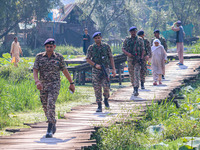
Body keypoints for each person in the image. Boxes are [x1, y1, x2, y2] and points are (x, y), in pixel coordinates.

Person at [33, 38, 75, 138]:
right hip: (43, 85)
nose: (49, 48)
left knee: (51, 103)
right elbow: (35, 70)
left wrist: (71, 83)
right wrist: (37, 81)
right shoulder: (39, 57)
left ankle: (50, 127)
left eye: (51, 47)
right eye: (47, 47)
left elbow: (64, 70)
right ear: (45, 47)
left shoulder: (59, 57)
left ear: (54, 47)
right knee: (45, 106)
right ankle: (53, 121)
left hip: (54, 85)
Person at [86, 32, 116, 112]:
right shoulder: (91, 48)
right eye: (96, 38)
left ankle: (106, 99)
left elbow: (111, 57)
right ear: (94, 39)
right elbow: (88, 59)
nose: (97, 39)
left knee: (106, 86)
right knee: (97, 88)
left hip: (105, 69)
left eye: (99, 38)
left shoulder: (106, 46)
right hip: (96, 70)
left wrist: (113, 69)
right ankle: (99, 105)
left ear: (101, 38)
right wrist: (95, 65)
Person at [122, 26, 144, 96]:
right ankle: (133, 86)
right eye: (132, 32)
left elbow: (143, 49)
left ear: (136, 32)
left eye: (134, 31)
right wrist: (128, 54)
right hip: (130, 59)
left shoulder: (140, 40)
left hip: (137, 59)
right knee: (131, 74)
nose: (133, 33)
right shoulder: (127, 39)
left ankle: (136, 89)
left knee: (136, 73)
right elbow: (123, 49)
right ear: (130, 32)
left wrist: (141, 57)